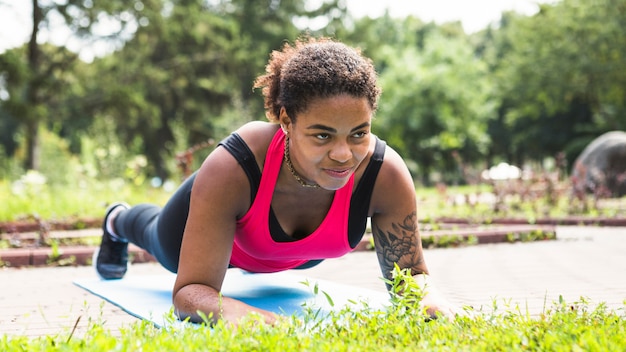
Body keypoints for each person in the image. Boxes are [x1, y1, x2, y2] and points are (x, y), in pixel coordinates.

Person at [95, 37, 461, 325]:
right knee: (155, 235)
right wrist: (231, 312)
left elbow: (410, 277)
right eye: (322, 136)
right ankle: (117, 220)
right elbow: (191, 292)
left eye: (358, 133)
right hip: (204, 237)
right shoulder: (234, 165)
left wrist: (429, 300)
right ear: (287, 121)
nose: (344, 154)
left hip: (293, 258)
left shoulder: (385, 174)